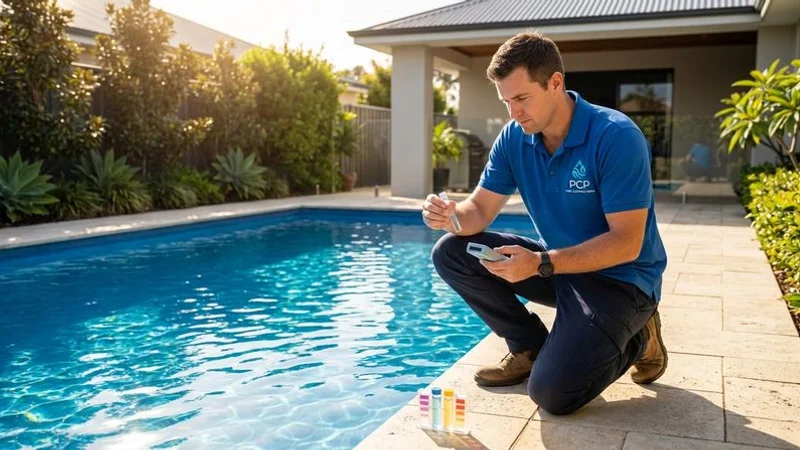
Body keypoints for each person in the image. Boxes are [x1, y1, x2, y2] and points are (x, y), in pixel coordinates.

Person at [421, 31, 668, 416]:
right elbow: (479, 211)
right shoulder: (514, 138)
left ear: (555, 83)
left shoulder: (616, 136)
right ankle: (528, 346)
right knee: (451, 252)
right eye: (506, 102)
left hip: (623, 281)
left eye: (521, 98)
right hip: (560, 267)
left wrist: (540, 263)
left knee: (554, 395)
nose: (514, 112)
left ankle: (641, 337)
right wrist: (450, 216)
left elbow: (627, 243)